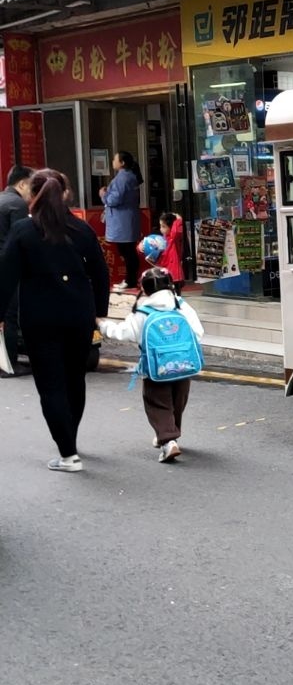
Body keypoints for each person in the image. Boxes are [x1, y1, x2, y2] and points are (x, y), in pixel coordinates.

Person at [0, 169, 110, 471]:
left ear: (32, 195)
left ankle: (67, 453)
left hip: (40, 317)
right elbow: (100, 273)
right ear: (65, 194)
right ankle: (70, 439)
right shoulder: (81, 229)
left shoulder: (23, 231)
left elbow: (5, 278)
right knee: (75, 380)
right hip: (79, 314)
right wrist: (99, 312)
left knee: (50, 385)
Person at [98, 266, 204, 464]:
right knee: (177, 402)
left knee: (157, 403)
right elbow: (198, 332)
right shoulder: (180, 305)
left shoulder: (143, 310)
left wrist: (103, 325)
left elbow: (124, 333)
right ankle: (171, 433)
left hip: (156, 368)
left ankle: (167, 441)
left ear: (145, 289)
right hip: (184, 365)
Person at [0, 163, 32, 377]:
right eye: (31, 185)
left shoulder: (2, 199)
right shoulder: (17, 204)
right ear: (21, 184)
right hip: (7, 268)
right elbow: (22, 241)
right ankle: (9, 364)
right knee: (10, 315)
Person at [100, 150, 142, 292]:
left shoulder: (122, 178)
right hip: (128, 219)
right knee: (129, 250)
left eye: (115, 159)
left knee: (126, 251)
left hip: (122, 221)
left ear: (122, 163)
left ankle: (130, 280)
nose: (113, 161)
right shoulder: (130, 177)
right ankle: (131, 279)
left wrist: (104, 195)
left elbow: (113, 200)